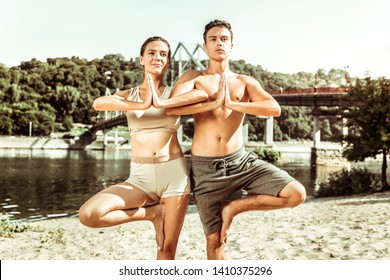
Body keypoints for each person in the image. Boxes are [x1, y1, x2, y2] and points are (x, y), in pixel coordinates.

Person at [165, 20, 307, 259]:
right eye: (213, 39)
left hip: (241, 162)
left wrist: (232, 103)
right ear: (204, 46)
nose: (219, 43)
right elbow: (170, 109)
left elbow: (273, 109)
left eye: (223, 39)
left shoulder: (244, 82)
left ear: (232, 46)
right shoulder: (193, 77)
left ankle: (233, 207)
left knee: (296, 194)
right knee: (215, 241)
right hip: (206, 169)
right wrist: (210, 101)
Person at [78, 36, 207, 260]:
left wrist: (160, 102)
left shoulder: (174, 95)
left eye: (163, 54)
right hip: (140, 177)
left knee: (166, 250)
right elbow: (98, 103)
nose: (157, 57)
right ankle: (153, 214)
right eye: (151, 53)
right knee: (89, 214)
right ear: (141, 59)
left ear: (168, 62)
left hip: (173, 175)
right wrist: (141, 104)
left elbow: (203, 92)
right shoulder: (129, 95)